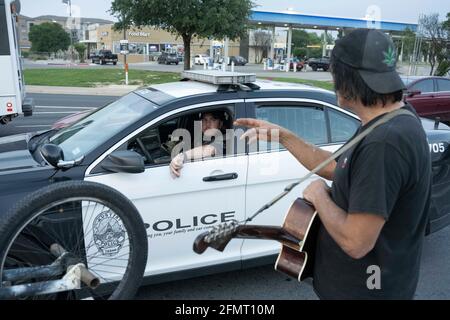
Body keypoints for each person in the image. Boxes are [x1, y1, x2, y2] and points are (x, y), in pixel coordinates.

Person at [235, 29, 431, 300]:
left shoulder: (383, 143)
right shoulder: (389, 120)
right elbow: (335, 168)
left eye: (334, 74)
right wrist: (284, 136)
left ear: (347, 79)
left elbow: (356, 241)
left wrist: (318, 195)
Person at [170, 111, 227, 178]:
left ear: (220, 124)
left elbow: (209, 149)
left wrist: (182, 156)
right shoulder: (200, 138)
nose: (207, 124)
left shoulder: (223, 139)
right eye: (204, 120)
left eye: (213, 120)